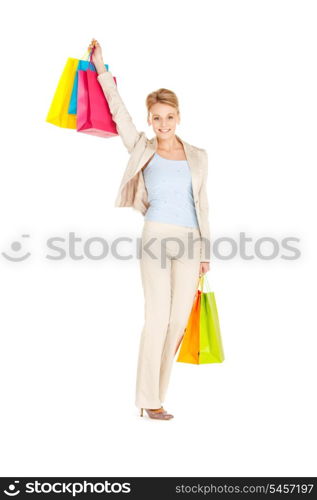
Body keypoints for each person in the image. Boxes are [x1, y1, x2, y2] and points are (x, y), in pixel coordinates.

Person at [88, 38, 211, 420]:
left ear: (178, 117)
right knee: (156, 318)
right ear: (150, 120)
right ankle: (149, 401)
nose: (162, 124)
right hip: (157, 236)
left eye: (168, 117)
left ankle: (157, 395)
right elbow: (119, 113)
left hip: (191, 241)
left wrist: (206, 251)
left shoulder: (198, 156)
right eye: (156, 117)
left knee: (177, 322)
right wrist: (102, 70)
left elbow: (202, 204)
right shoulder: (142, 148)